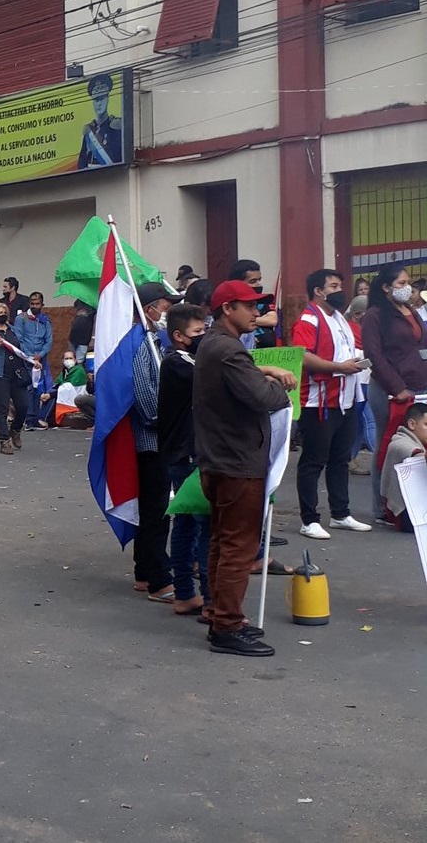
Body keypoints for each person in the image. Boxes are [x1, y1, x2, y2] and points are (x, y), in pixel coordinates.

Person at [193, 280, 295, 657]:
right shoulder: (227, 349)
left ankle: (219, 614)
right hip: (237, 461)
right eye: (249, 306)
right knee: (238, 546)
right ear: (227, 309)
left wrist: (261, 368)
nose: (256, 313)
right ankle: (227, 626)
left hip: (221, 459)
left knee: (223, 542)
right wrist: (278, 385)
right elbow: (260, 397)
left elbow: (244, 377)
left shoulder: (217, 345)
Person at [291, 269, 370, 539]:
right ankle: (309, 519)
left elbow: (345, 350)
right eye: (333, 285)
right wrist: (339, 367)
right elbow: (302, 356)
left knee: (340, 459)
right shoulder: (309, 318)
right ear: (318, 291)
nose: (340, 290)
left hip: (345, 399)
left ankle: (340, 513)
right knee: (314, 460)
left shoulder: (339, 317)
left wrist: (356, 362)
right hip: (318, 402)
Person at [361, 262, 427, 522]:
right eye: (401, 284)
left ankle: (411, 502)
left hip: (419, 385)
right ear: (386, 287)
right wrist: (397, 387)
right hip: (390, 391)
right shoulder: (375, 315)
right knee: (387, 444)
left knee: (417, 446)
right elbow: (374, 356)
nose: (407, 288)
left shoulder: (410, 310)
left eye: (407, 283)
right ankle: (381, 507)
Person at [159, 304, 211, 616]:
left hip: (184, 452)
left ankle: (185, 594)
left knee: (188, 523)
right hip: (187, 455)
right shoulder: (178, 364)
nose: (203, 337)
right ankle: (208, 598)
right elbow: (209, 379)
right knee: (204, 525)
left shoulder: (189, 360)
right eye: (198, 333)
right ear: (179, 337)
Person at [130, 282, 177, 602]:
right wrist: (165, 421)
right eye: (165, 305)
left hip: (158, 437)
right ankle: (159, 578)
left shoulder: (155, 341)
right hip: (151, 439)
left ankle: (145, 571)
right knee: (157, 510)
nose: (168, 312)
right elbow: (145, 394)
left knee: (152, 508)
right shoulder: (139, 343)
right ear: (149, 308)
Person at [0, 302, 31, 455]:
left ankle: (15, 429)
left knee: (23, 406)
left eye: (4, 311)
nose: (2, 314)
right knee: (2, 407)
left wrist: (32, 361)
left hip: (17, 373)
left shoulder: (14, 330)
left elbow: (21, 349)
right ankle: (4, 440)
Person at [378, 402, 427, 531]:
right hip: (407, 512)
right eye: (426, 425)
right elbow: (416, 454)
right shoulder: (400, 442)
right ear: (412, 424)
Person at [13, 292, 53, 430]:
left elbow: (49, 341)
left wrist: (40, 355)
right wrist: (29, 356)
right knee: (29, 388)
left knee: (38, 388)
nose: (35, 306)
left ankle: (34, 418)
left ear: (42, 305)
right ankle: (28, 419)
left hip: (40, 360)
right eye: (32, 304)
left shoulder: (45, 320)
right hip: (25, 359)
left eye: (38, 304)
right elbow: (19, 339)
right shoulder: (21, 319)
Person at [346, 294, 376, 475]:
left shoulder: (359, 328)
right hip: (359, 382)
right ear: (357, 315)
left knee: (359, 423)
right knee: (369, 422)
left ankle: (349, 458)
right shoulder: (351, 331)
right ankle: (384, 463)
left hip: (363, 381)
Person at [76, 72, 123, 169]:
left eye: (102, 99)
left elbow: (118, 158)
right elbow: (82, 162)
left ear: (107, 98)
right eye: (96, 100)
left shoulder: (115, 126)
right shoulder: (88, 130)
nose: (99, 104)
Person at [228, 259, 278, 350]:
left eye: (259, 280)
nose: (258, 284)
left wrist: (249, 320)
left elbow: (272, 320)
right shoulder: (230, 304)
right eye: (253, 281)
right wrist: (260, 320)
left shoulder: (263, 301)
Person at [67, 299, 95, 363]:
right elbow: (75, 304)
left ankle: (78, 372)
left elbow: (94, 326)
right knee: (70, 359)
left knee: (79, 361)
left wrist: (93, 339)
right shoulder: (78, 311)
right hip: (73, 338)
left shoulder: (93, 312)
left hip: (84, 340)